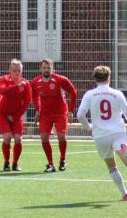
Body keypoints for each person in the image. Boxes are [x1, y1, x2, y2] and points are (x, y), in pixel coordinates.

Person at [77, 66, 127, 201]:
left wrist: (88, 128)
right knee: (126, 159)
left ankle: (124, 193)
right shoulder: (117, 94)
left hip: (100, 136)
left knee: (112, 166)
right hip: (118, 133)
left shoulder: (89, 94)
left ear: (95, 79)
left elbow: (80, 115)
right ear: (109, 78)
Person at [31, 58, 77, 172]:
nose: (46, 70)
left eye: (49, 68)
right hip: (45, 114)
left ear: (52, 69)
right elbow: (35, 95)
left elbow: (73, 92)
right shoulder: (35, 82)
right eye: (44, 68)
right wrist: (37, 109)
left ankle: (62, 159)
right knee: (44, 138)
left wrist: (70, 111)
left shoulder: (61, 80)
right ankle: (50, 164)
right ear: (40, 69)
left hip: (60, 113)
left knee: (61, 136)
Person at [0, 59, 32, 171]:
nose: (17, 73)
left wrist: (16, 116)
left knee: (18, 139)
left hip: (16, 115)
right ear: (10, 71)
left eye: (19, 70)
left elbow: (27, 102)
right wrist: (16, 87)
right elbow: (3, 91)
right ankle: (6, 163)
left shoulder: (26, 83)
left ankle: (15, 163)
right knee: (7, 137)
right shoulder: (4, 79)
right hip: (3, 113)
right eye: (14, 70)